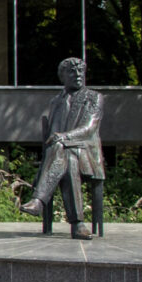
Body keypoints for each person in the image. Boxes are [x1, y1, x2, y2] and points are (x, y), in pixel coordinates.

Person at [21, 56, 104, 239]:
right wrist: (60, 140)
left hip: (86, 151)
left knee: (64, 152)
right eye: (72, 72)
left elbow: (89, 128)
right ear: (62, 76)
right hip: (63, 154)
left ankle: (38, 200)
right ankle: (78, 224)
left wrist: (64, 137)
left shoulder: (93, 97)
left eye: (81, 71)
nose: (78, 75)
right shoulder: (56, 101)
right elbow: (52, 133)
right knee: (68, 160)